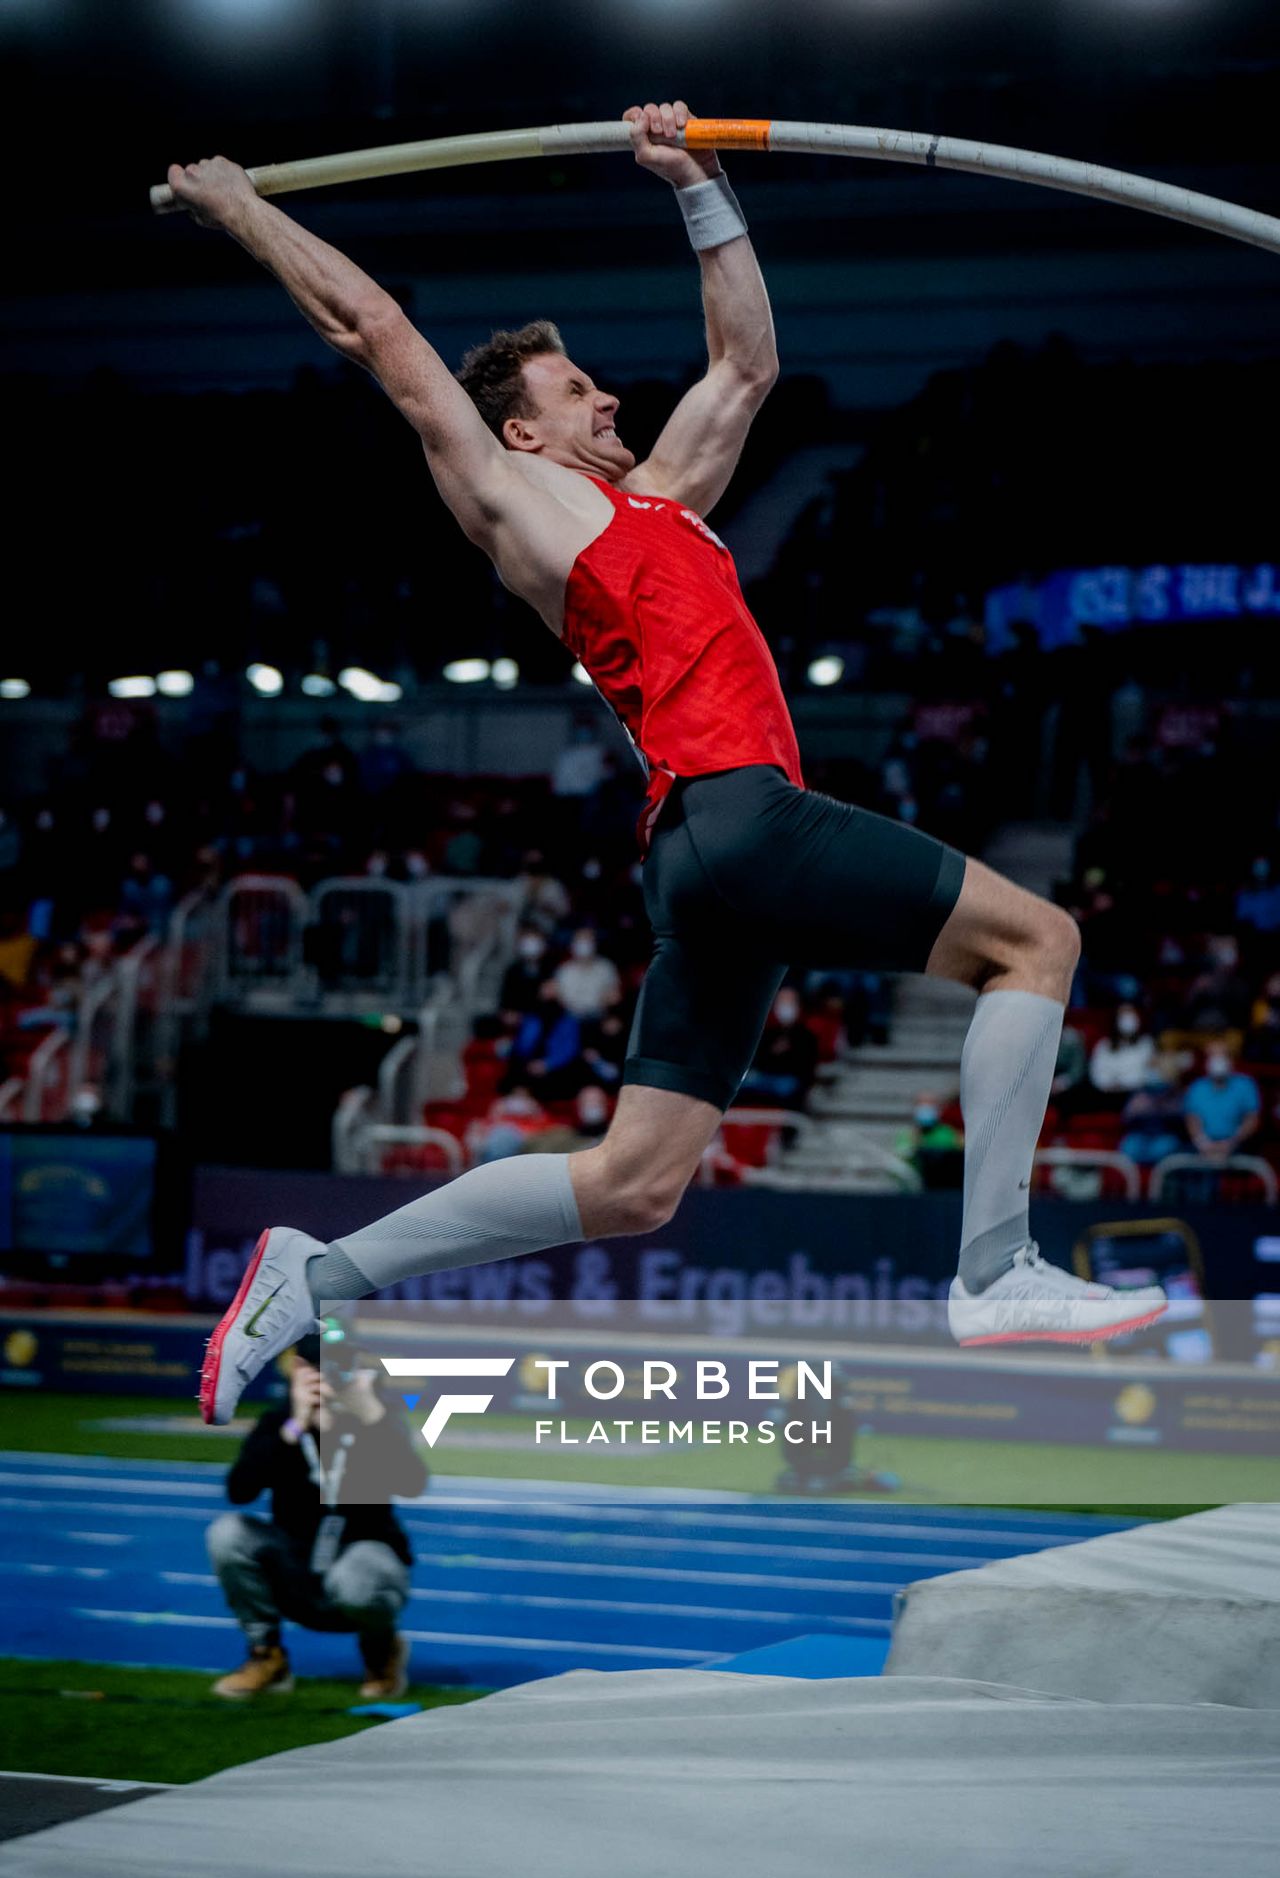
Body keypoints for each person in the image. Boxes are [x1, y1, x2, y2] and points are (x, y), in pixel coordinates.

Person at [170, 100, 1165, 1423]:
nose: (609, 394)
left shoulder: (664, 508)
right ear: (520, 434)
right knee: (1036, 942)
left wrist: (694, 185)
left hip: (702, 868)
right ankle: (995, 1268)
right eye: (577, 389)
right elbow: (379, 336)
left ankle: (320, 1267)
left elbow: (745, 364)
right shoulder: (524, 505)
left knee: (639, 1183)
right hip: (739, 815)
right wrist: (239, 205)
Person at [205, 1334, 426, 1700]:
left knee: (359, 1577)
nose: (331, 1378)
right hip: (295, 1563)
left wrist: (371, 1417)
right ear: (299, 1373)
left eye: (340, 1368)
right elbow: (239, 1490)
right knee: (228, 1533)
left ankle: (381, 1652)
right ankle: (267, 1657)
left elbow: (412, 1483)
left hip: (363, 1562)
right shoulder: (281, 1420)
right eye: (320, 1370)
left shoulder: (375, 1417)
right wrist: (294, 1427)